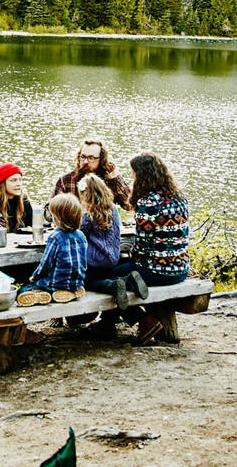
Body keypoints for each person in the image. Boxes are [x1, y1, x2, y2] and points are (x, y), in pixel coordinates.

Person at [112, 152, 191, 343]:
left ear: (142, 176)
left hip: (157, 271)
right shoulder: (179, 197)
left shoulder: (147, 203)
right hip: (180, 269)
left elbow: (142, 249)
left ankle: (144, 320)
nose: (132, 178)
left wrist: (128, 259)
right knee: (121, 270)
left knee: (108, 278)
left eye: (133, 174)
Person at [18, 194, 87, 306]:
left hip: (56, 283)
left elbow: (46, 263)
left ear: (57, 217)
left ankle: (44, 294)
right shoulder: (81, 235)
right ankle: (71, 292)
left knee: (23, 289)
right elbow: (83, 261)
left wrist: (34, 276)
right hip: (77, 282)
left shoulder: (55, 237)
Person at [52, 139, 130, 205]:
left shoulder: (109, 181)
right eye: (83, 157)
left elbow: (129, 205)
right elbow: (48, 211)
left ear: (101, 159)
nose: (85, 161)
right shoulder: (65, 180)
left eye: (91, 158)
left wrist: (115, 177)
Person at [0, 163, 34, 232]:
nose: (18, 184)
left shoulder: (24, 200)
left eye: (20, 180)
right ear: (3, 183)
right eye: (13, 180)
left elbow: (31, 225)